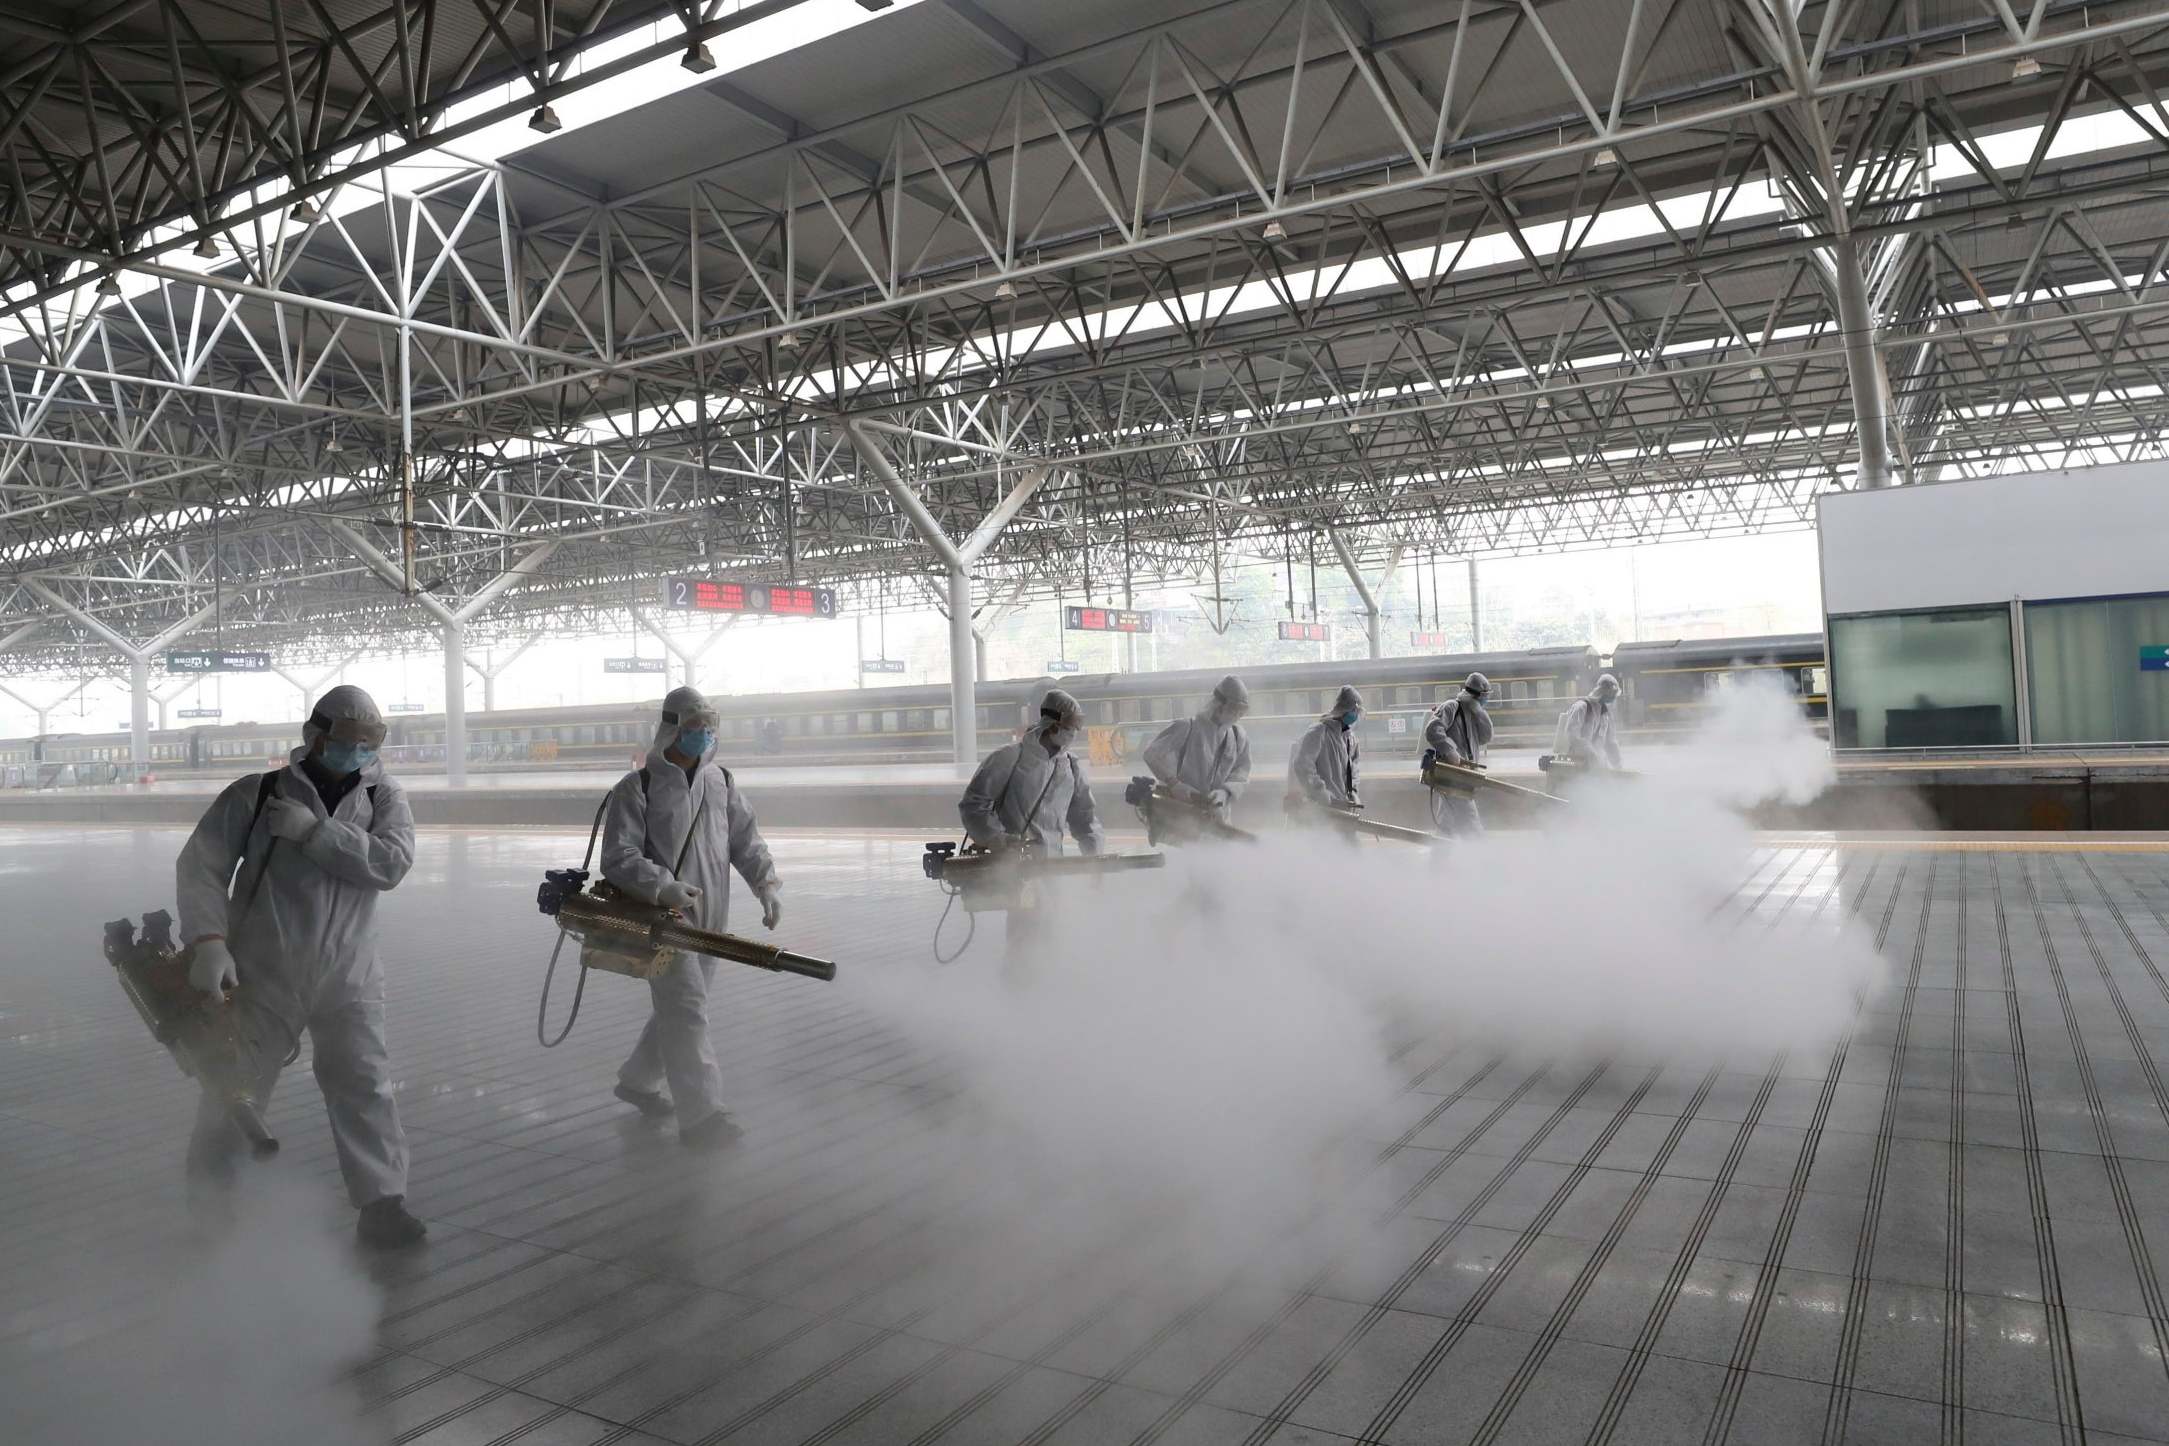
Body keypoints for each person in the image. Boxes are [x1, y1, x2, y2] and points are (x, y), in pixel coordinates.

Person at [175, 685, 425, 1248]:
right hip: (263, 972)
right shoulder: (257, 795)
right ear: (314, 737)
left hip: (350, 974)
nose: (360, 753)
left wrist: (315, 832)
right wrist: (209, 940)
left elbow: (391, 864)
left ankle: (383, 1203)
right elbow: (201, 867)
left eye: (370, 744)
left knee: (365, 1084)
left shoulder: (386, 798)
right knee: (234, 1087)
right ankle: (212, 1207)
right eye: (348, 742)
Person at [602, 686, 782, 1149]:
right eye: (692, 727)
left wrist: (767, 886)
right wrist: (661, 885)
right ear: (670, 729)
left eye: (708, 726)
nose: (702, 734)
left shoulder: (721, 782)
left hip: (712, 917)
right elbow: (618, 856)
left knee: (684, 1004)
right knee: (687, 1009)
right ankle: (702, 1118)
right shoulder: (636, 788)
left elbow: (745, 840)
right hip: (665, 917)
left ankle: (638, 1080)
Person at [959, 688, 1104, 855]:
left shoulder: (1071, 766)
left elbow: (1085, 818)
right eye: (1071, 725)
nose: (1075, 732)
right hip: (1012, 867)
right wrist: (997, 840)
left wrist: (1094, 855)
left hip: (1053, 869)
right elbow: (973, 805)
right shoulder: (1008, 758)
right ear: (1054, 725)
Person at [1141, 674, 1253, 821]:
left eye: (1242, 711)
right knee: (1189, 843)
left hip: (1219, 817)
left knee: (1216, 843)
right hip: (1182, 815)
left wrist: (1225, 792)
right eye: (1234, 709)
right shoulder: (1188, 728)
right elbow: (1152, 754)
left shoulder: (1239, 736)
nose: (1237, 715)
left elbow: (1242, 771)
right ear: (1219, 705)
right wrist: (1174, 784)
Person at [1424, 672, 1494, 837]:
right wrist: (1450, 751)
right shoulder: (1451, 707)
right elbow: (1432, 730)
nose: (1486, 700)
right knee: (1471, 823)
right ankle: (1480, 859)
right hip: (1453, 775)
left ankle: (1439, 858)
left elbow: (1486, 737)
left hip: (1464, 776)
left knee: (1446, 825)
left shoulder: (1474, 714)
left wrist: (1480, 713)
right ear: (1476, 695)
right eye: (1484, 696)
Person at [1288, 685, 1364, 809]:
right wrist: (1321, 794)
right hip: (1320, 809)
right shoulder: (1319, 731)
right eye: (1354, 711)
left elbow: (1353, 769)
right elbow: (1302, 765)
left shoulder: (1351, 739)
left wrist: (1353, 791)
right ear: (1347, 710)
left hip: (1342, 807)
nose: (1356, 716)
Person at [1554, 673, 1624, 770]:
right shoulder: (1581, 707)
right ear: (1603, 692)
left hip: (1596, 765)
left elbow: (1610, 743)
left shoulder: (1605, 714)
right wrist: (1591, 753)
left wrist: (1618, 765)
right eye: (1611, 694)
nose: (1613, 698)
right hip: (1576, 764)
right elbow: (1572, 736)